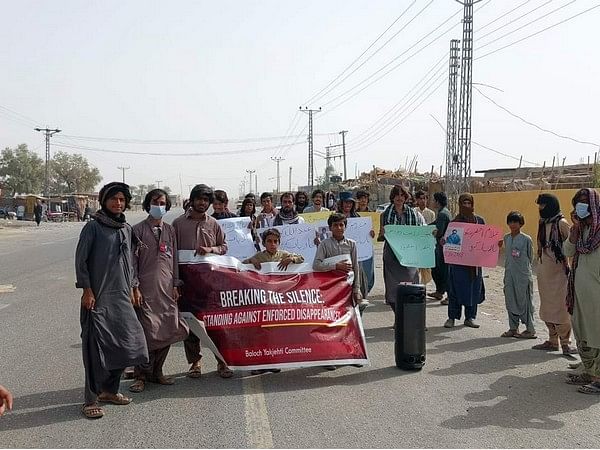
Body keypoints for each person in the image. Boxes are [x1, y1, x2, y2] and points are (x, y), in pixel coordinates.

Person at [75, 182, 148, 419]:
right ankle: (90, 399)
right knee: (95, 350)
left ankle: (110, 391)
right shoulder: (93, 228)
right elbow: (81, 261)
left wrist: (135, 286)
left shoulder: (126, 228)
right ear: (104, 200)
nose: (118, 203)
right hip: (98, 298)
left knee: (126, 345)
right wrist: (87, 289)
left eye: (122, 199)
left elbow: (130, 262)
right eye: (114, 198)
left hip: (123, 298)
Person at [129, 189, 189, 393]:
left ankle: (157, 372)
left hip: (166, 290)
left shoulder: (170, 231)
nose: (159, 205)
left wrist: (175, 284)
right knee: (146, 333)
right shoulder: (137, 230)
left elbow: (173, 260)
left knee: (167, 330)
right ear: (148, 204)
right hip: (145, 290)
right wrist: (134, 287)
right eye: (155, 201)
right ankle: (140, 375)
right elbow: (132, 262)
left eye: (162, 202)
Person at [172, 184, 232, 379]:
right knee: (190, 325)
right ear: (192, 200)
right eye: (199, 199)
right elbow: (172, 256)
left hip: (209, 285)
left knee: (214, 324)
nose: (202, 203)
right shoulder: (178, 224)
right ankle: (195, 363)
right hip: (186, 283)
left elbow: (224, 247)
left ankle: (222, 361)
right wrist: (175, 282)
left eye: (206, 200)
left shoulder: (214, 223)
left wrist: (211, 249)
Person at [243, 228, 304, 374]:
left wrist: (292, 259)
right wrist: (251, 261)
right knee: (261, 333)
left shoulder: (283, 255)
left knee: (276, 333)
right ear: (264, 243)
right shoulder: (258, 256)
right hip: (262, 301)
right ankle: (259, 364)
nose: (272, 244)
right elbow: (242, 266)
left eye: (275, 241)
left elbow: (301, 259)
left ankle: (273, 361)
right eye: (269, 241)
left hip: (279, 302)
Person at [314, 213, 365, 369]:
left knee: (351, 322)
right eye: (335, 225)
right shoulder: (324, 245)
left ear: (345, 226)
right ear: (330, 228)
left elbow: (356, 267)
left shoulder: (352, 244)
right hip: (330, 291)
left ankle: (353, 355)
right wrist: (335, 266)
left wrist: (357, 289)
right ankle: (330, 357)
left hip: (348, 289)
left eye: (341, 225)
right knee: (331, 323)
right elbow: (316, 265)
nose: (339, 228)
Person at [563, 188, 600, 394]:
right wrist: (574, 233)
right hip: (578, 291)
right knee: (582, 331)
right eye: (578, 202)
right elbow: (567, 252)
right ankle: (589, 370)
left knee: (597, 334)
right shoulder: (581, 230)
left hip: (597, 294)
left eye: (585, 202)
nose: (580, 205)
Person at [532, 193, 575, 354]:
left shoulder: (561, 223)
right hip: (544, 273)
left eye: (542, 205)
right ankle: (552, 340)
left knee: (561, 309)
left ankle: (566, 343)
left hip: (559, 275)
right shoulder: (542, 223)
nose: (540, 208)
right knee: (547, 307)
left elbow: (571, 245)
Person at [378, 185, 425, 317]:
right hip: (392, 255)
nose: (399, 198)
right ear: (392, 197)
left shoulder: (413, 214)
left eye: (402, 195)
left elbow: (418, 233)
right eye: (397, 195)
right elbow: (381, 237)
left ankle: (412, 319)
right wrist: (382, 233)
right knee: (393, 288)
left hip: (409, 254)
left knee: (412, 284)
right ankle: (399, 316)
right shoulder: (385, 214)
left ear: (405, 197)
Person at [444, 193, 486, 329]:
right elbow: (448, 241)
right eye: (464, 203)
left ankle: (470, 317)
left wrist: (494, 244)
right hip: (458, 264)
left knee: (473, 290)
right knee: (455, 290)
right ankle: (451, 317)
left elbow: (485, 240)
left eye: (469, 203)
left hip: (473, 264)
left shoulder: (480, 222)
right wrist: (443, 241)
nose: (466, 206)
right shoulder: (454, 223)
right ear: (460, 204)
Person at [499, 211, 536, 339]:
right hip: (509, 274)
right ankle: (513, 328)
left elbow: (531, 257)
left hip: (523, 275)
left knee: (525, 302)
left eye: (516, 222)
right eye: (511, 222)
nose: (513, 224)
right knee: (510, 299)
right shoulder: (506, 238)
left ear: (521, 224)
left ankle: (530, 329)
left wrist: (524, 270)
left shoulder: (526, 239)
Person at [428, 192, 452, 304]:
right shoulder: (444, 212)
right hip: (443, 247)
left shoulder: (443, 214)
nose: (432, 202)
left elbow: (439, 232)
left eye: (434, 200)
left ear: (437, 201)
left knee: (440, 270)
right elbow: (435, 223)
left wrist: (429, 231)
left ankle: (448, 295)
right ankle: (439, 292)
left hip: (442, 247)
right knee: (439, 269)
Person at [413, 190, 436, 287]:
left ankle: (423, 286)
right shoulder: (413, 212)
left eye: (424, 198)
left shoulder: (431, 213)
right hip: (416, 243)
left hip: (426, 243)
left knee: (426, 267)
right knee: (415, 266)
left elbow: (433, 228)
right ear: (417, 200)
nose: (423, 201)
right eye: (420, 198)